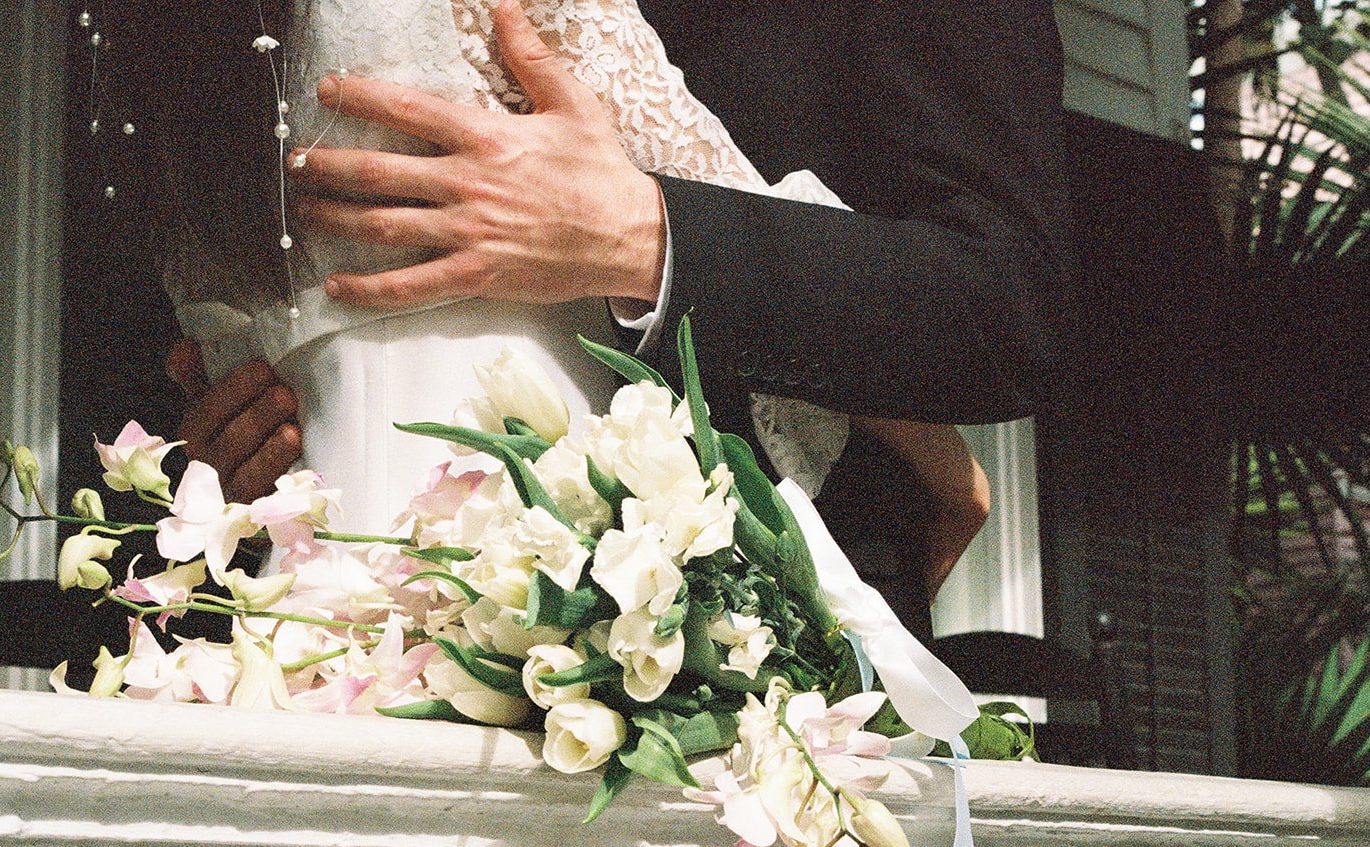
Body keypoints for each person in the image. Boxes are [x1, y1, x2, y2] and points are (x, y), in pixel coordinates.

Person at [163, 0, 1052, 615]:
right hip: (348, 599)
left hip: (770, 638)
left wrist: (649, 240)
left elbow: (1011, 306)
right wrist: (236, 431)